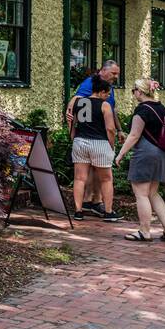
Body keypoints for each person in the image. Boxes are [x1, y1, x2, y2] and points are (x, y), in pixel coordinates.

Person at [114, 78, 165, 242]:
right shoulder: (162, 107)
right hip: (163, 152)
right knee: (153, 193)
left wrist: (120, 154)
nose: (133, 93)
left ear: (140, 92)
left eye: (134, 90)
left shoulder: (142, 110)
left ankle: (144, 231)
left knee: (141, 194)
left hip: (146, 153)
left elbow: (134, 135)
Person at [66, 60, 120, 216]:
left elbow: (72, 120)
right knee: (106, 179)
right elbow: (110, 128)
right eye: (107, 93)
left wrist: (72, 137)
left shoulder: (80, 102)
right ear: (102, 91)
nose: (108, 95)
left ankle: (78, 211)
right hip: (99, 143)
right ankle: (108, 212)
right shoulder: (104, 105)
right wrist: (111, 144)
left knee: (79, 178)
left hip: (80, 142)